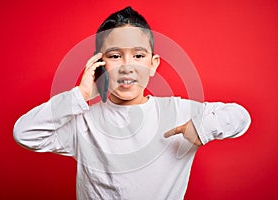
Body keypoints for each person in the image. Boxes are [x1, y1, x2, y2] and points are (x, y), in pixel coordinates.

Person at [13, 6, 251, 200]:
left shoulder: (177, 110)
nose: (127, 66)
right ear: (99, 64)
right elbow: (25, 133)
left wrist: (202, 129)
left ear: (153, 64)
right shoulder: (83, 122)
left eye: (138, 55)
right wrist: (81, 93)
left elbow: (241, 116)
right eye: (115, 56)